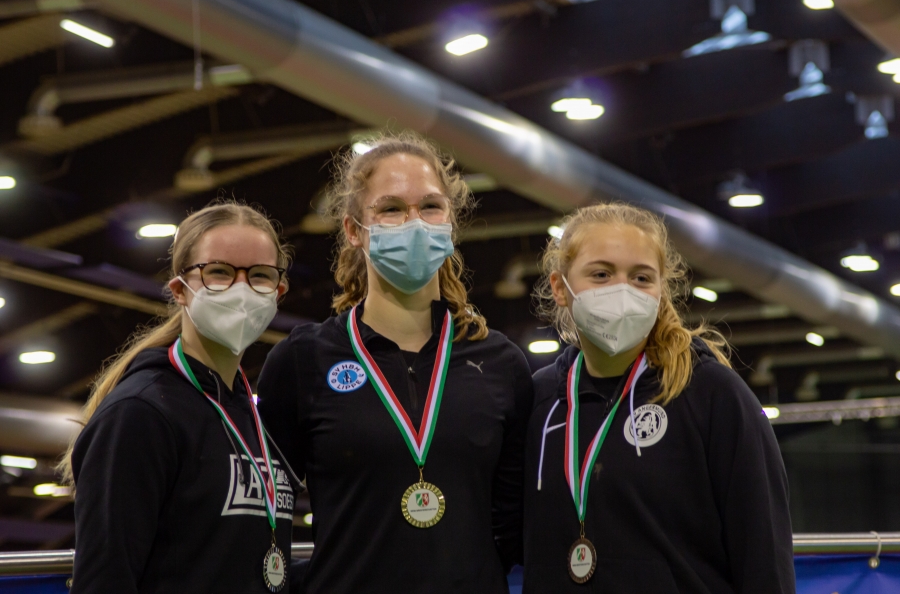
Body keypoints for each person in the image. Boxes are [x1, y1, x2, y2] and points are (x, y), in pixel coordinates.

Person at [257, 132, 533, 594]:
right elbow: (267, 516)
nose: (414, 223)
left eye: (430, 207)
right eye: (391, 209)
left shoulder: (500, 363)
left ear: (450, 224)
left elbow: (515, 521)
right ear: (353, 230)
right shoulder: (303, 361)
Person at [523, 203, 795, 593]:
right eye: (601, 274)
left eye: (641, 278)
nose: (621, 290)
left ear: (660, 288)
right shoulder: (539, 400)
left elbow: (763, 553)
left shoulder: (710, 393)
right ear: (559, 288)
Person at [61, 200, 301, 594]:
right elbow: (104, 581)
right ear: (180, 290)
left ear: (279, 291)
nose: (241, 289)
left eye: (259, 275)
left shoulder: (253, 416)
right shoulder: (140, 414)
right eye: (219, 272)